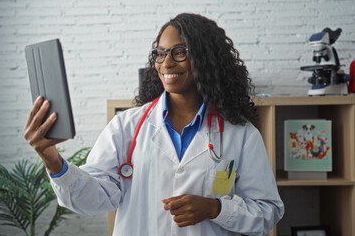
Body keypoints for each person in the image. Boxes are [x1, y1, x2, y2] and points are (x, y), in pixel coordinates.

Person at [24, 13, 284, 235]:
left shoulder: (240, 134)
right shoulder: (126, 127)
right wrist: (51, 158)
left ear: (207, 58)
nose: (166, 63)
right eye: (159, 54)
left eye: (179, 52)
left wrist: (215, 208)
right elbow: (91, 199)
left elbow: (267, 212)